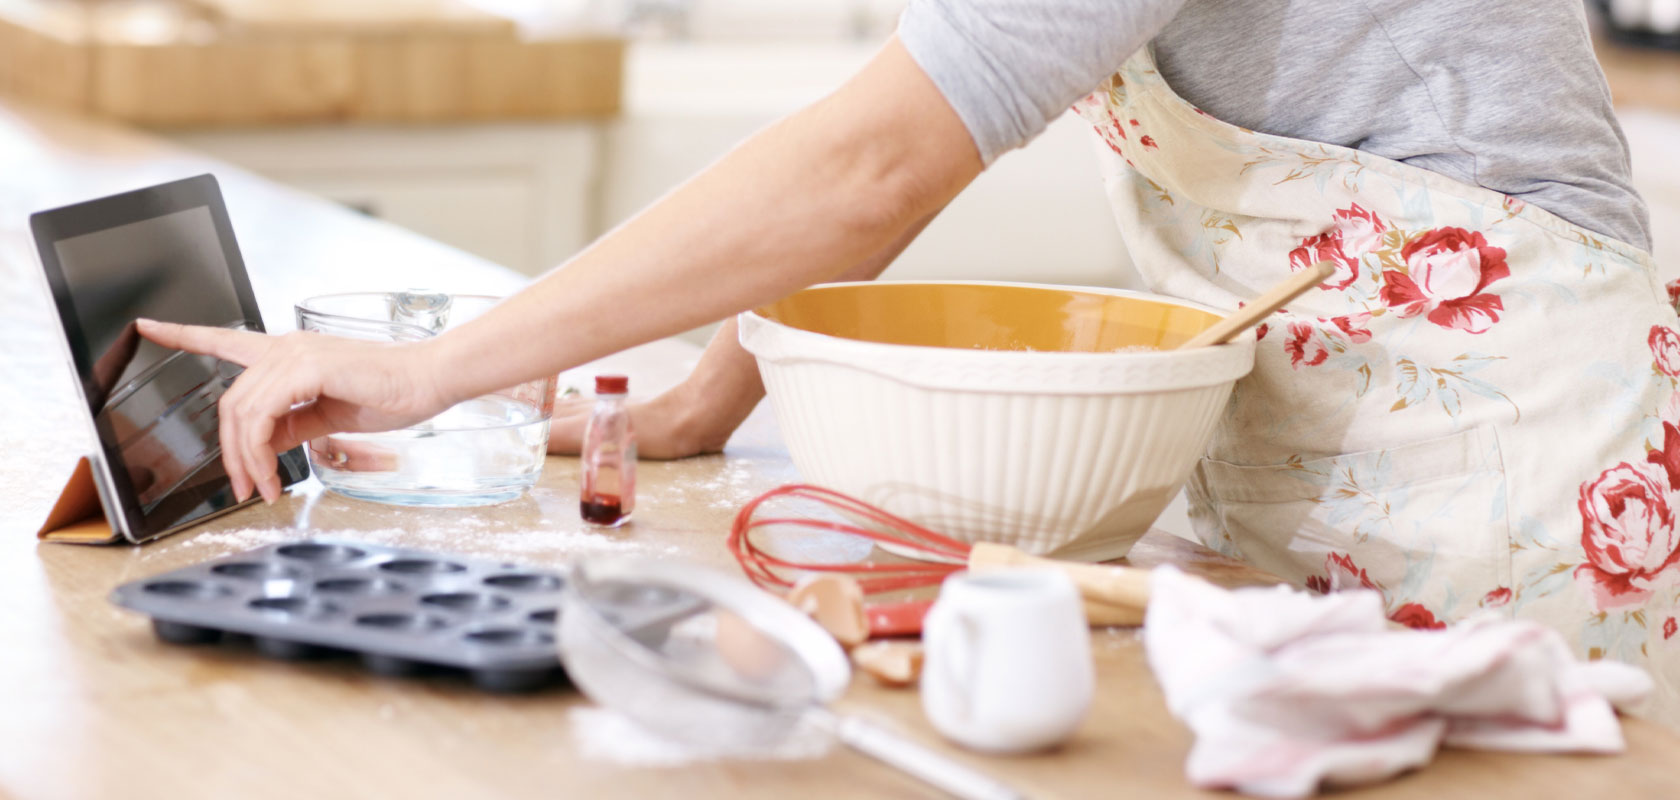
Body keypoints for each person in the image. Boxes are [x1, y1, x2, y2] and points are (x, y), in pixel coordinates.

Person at [140, 1, 1676, 720]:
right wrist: (703, 400)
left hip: (1508, 454)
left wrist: (435, 371)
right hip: (1356, 433)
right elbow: (922, 146)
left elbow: (875, 161)